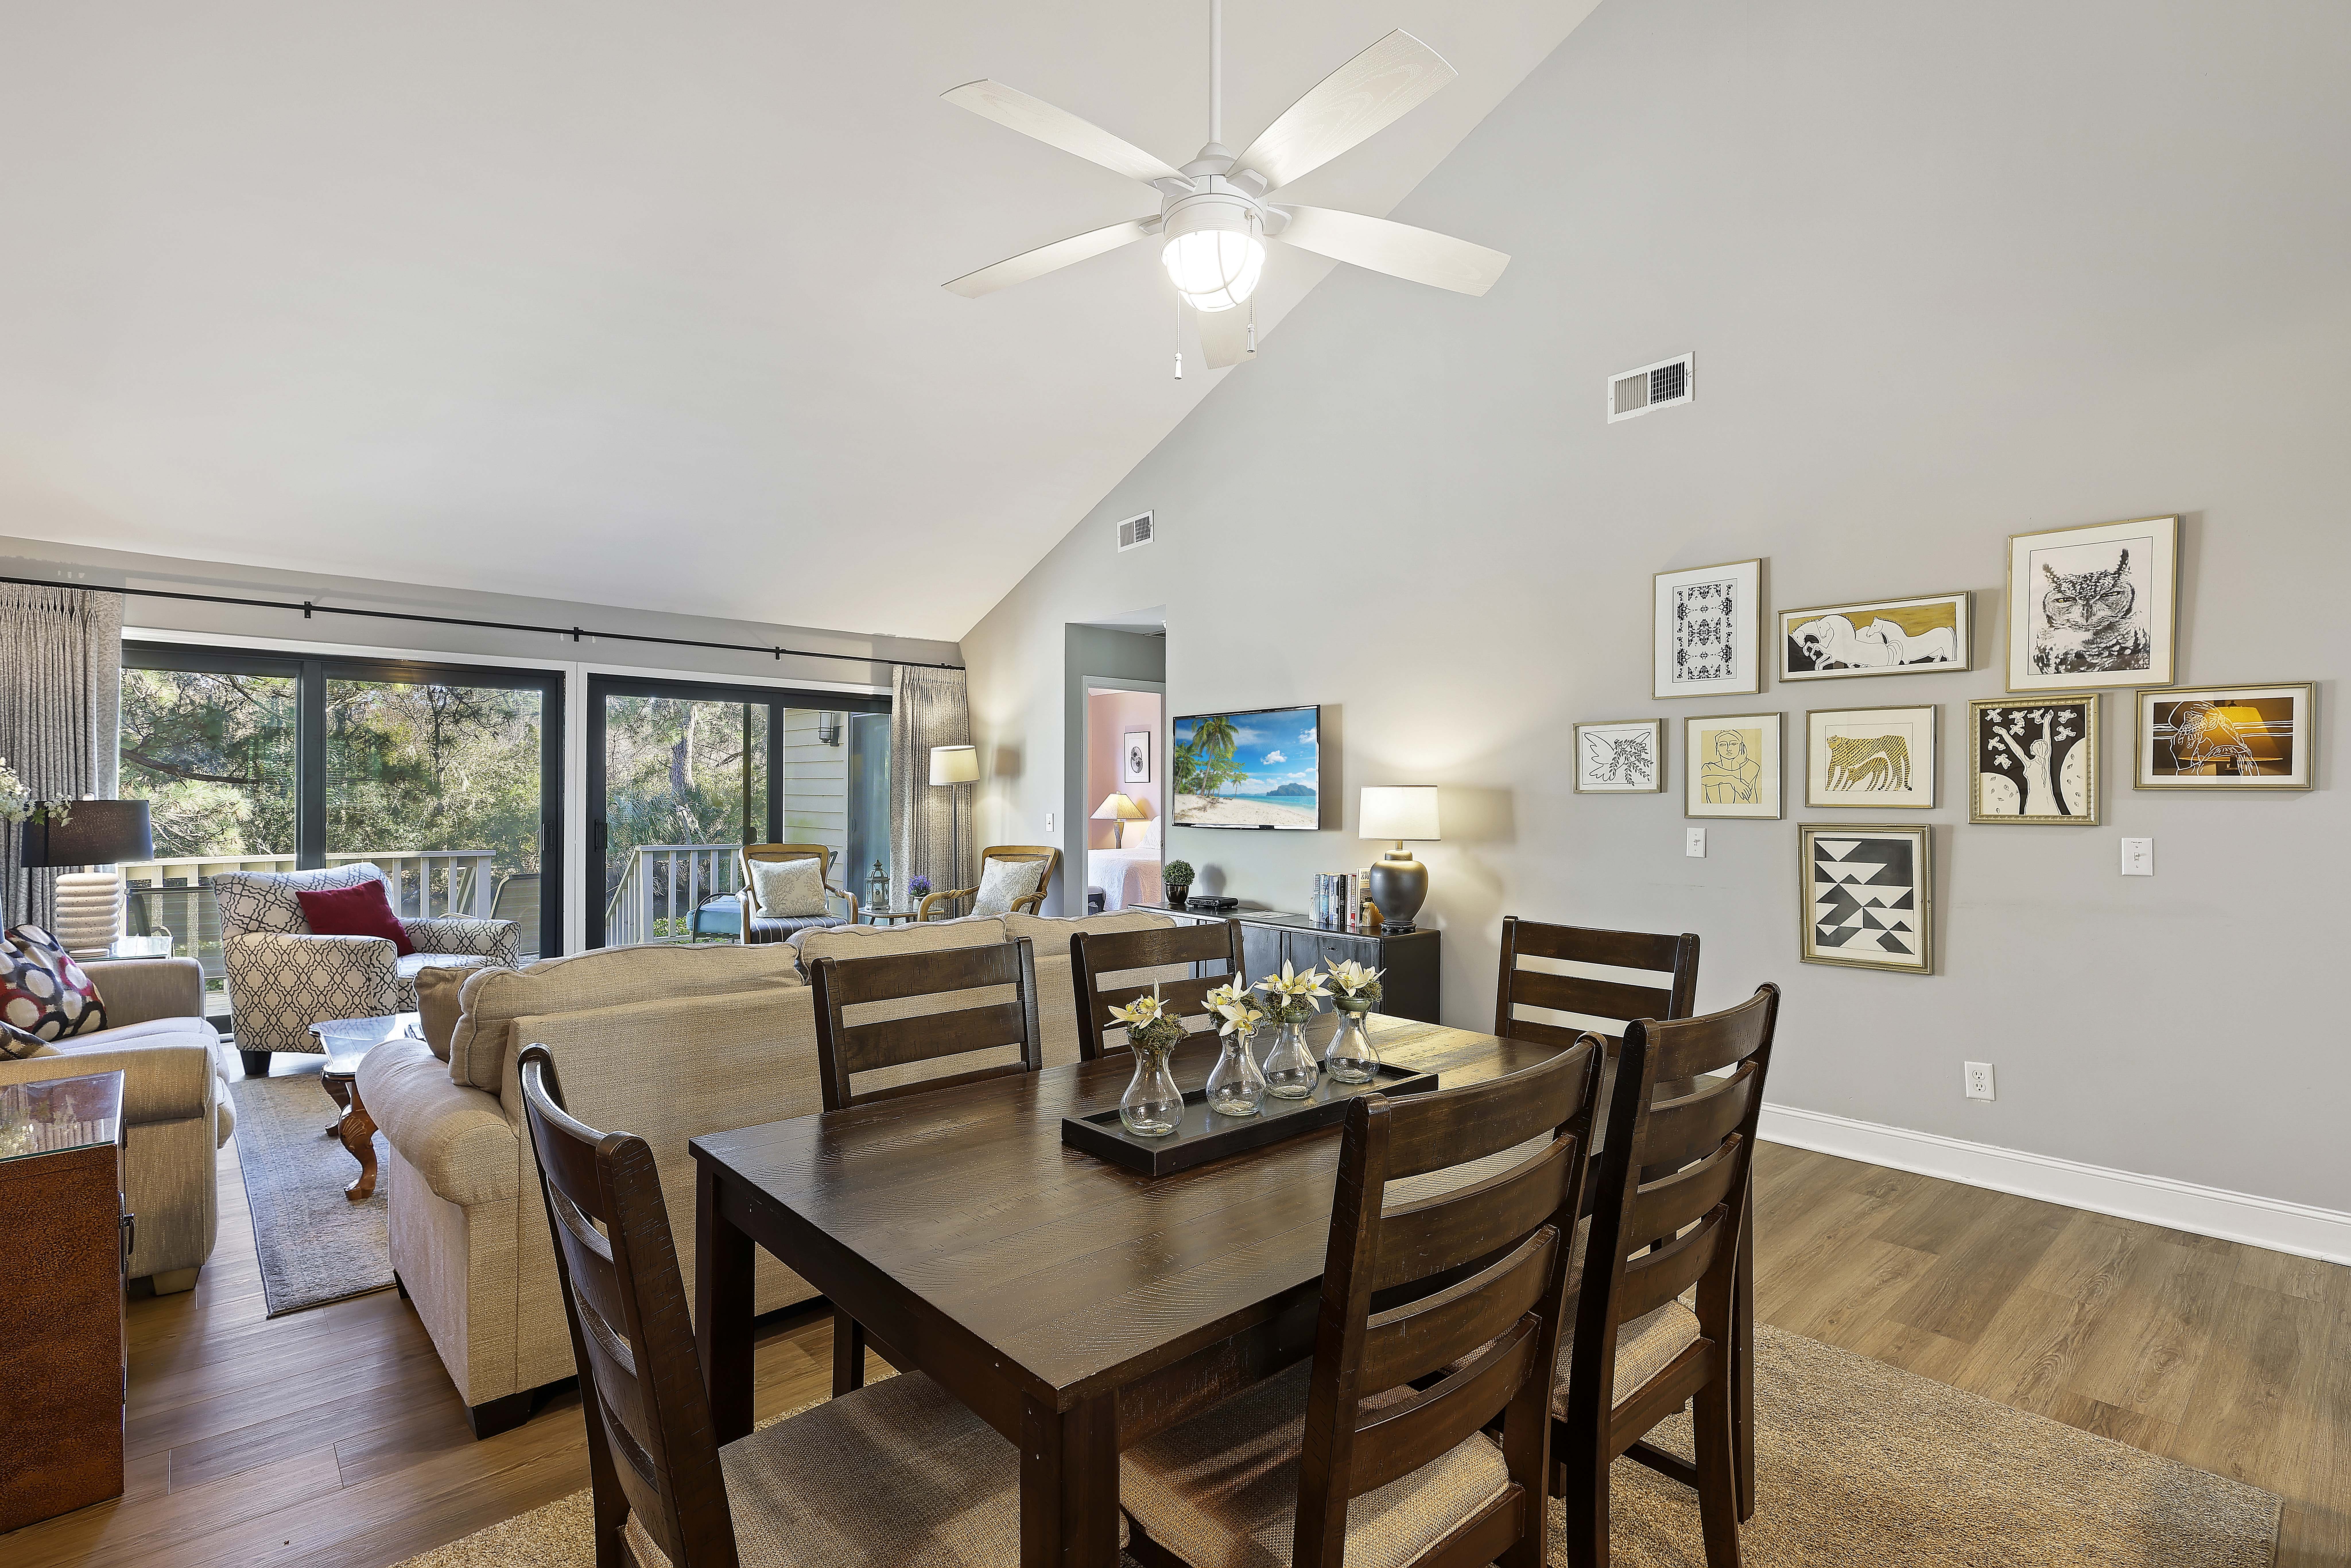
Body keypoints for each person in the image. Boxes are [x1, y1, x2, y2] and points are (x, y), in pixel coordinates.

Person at [1993, 717, 2060, 814]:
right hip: (2046, 798)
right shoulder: (2046, 762)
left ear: (2032, 751)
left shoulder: (2031, 764)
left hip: (2034, 800)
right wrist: (2046, 722)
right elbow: (2047, 738)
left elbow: (2017, 749)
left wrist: (2005, 734)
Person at [1700, 730, 1760, 804]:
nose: (1728, 749)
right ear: (1717, 748)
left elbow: (1749, 800)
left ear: (1741, 746)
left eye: (1734, 744)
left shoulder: (1752, 767)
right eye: (1723, 745)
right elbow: (1701, 781)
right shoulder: (1709, 768)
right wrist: (1731, 780)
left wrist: (1737, 764)